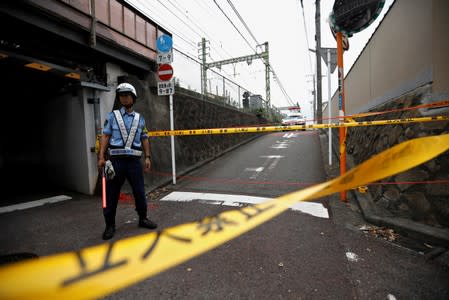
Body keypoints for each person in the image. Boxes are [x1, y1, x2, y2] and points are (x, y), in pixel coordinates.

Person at [98, 82, 157, 240]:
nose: (124, 98)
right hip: (116, 162)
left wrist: (148, 157)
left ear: (133, 97)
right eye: (121, 96)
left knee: (139, 192)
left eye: (127, 95)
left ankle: (143, 218)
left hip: (134, 163)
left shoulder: (140, 119)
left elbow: (145, 138)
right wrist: (101, 157)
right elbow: (105, 136)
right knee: (111, 195)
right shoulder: (112, 117)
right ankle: (110, 225)